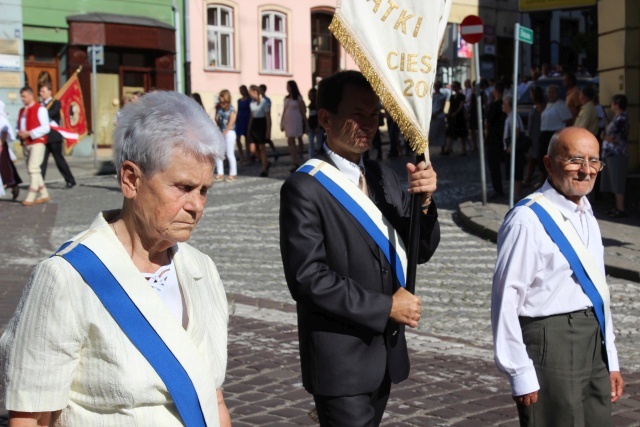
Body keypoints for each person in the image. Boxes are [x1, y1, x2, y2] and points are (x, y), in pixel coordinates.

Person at [0, 91, 232, 427]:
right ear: (130, 180)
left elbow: (215, 398)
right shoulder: (67, 278)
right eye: (182, 187)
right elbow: (31, 418)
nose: (196, 206)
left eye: (204, 190)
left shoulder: (201, 269)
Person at [279, 70, 441, 426]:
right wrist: (387, 306)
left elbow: (421, 250)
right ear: (325, 118)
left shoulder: (383, 177)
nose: (368, 125)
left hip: (384, 353)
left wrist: (425, 202)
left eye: (374, 116)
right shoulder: (304, 187)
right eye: (357, 115)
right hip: (341, 360)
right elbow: (308, 279)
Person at [492, 127, 624, 427]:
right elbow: (505, 298)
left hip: (593, 336)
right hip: (551, 341)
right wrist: (519, 372)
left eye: (594, 161)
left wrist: (611, 360)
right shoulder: (527, 219)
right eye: (575, 160)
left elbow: (599, 291)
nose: (586, 170)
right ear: (549, 164)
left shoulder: (586, 212)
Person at [38, 82, 76, 189]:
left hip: (54, 137)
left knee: (59, 160)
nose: (41, 93)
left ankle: (70, 180)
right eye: (40, 91)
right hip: (44, 137)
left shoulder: (55, 103)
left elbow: (52, 114)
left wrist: (42, 111)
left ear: (50, 92)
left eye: (43, 91)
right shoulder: (40, 104)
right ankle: (39, 183)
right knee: (42, 161)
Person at [17, 86, 50, 206]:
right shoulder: (22, 110)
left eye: (24, 96)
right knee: (34, 170)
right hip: (26, 142)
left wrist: (30, 133)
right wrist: (19, 132)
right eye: (21, 96)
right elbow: (20, 125)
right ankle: (44, 194)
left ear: (31, 95)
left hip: (38, 142)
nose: (22, 98)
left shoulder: (40, 109)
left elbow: (46, 127)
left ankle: (31, 194)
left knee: (33, 167)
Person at [600, 94, 629, 218]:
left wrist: (603, 137)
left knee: (617, 181)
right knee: (612, 180)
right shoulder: (617, 117)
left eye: (612, 103)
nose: (611, 105)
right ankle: (617, 207)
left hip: (617, 153)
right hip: (610, 153)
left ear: (617, 104)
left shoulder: (621, 118)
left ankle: (620, 208)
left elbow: (615, 138)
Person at [537, 85, 573, 185]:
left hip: (554, 132)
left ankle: (553, 179)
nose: (550, 94)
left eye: (553, 92)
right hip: (544, 132)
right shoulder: (548, 105)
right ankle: (542, 180)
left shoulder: (561, 105)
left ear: (557, 93)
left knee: (553, 157)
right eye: (549, 92)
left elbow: (568, 119)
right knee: (542, 157)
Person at [484, 81, 506, 198]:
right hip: (501, 137)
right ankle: (499, 188)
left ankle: (498, 189)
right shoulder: (504, 104)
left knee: (494, 166)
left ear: (496, 91)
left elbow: (488, 123)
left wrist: (485, 135)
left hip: (494, 138)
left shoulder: (495, 105)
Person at [281, 80, 308, 171]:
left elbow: (303, 112)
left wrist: (306, 123)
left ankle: (297, 156)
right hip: (288, 120)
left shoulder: (298, 98)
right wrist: (282, 122)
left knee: (297, 138)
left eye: (288, 86)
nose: (287, 88)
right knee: (290, 140)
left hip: (296, 120)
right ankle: (294, 159)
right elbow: (284, 111)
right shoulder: (286, 98)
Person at [502, 95, 526, 198]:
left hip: (515, 148)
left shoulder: (513, 116)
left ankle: (516, 195)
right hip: (513, 147)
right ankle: (515, 194)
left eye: (504, 104)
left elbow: (516, 130)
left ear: (508, 105)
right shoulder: (511, 115)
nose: (502, 106)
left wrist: (512, 145)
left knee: (516, 172)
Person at [523, 86, 545, 187]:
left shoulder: (541, 107)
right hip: (532, 135)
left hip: (538, 135)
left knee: (538, 158)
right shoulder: (535, 106)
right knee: (531, 158)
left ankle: (541, 179)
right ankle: (528, 178)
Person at [247, 84, 271, 177]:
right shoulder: (252, 103)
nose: (250, 94)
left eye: (251, 92)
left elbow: (268, 118)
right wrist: (249, 129)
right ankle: (266, 162)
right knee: (252, 149)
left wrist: (268, 131)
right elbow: (251, 117)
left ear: (255, 92)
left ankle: (264, 169)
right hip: (254, 124)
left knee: (262, 148)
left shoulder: (264, 102)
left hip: (262, 124)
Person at [214, 89, 238, 182]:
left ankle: (233, 173)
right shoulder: (219, 108)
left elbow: (231, 122)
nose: (220, 98)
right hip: (221, 131)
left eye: (222, 96)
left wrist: (225, 132)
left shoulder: (231, 109)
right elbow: (217, 120)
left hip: (230, 132)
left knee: (229, 153)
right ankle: (220, 173)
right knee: (219, 153)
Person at [0, 100, 22, 200]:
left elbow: (4, 133)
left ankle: (13, 185)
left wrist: (0, 144)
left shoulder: (2, 119)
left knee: (5, 169)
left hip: (1, 147)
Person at [442, 81, 468, 156]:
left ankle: (464, 150)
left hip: (459, 116)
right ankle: (448, 148)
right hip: (452, 116)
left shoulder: (461, 96)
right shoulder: (452, 96)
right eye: (453, 86)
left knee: (462, 134)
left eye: (455, 86)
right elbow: (450, 105)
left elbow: (461, 105)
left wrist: (456, 112)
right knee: (450, 132)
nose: (454, 88)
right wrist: (449, 112)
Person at [259, 84, 279, 161]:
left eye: (261, 89)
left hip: (265, 119)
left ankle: (275, 151)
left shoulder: (267, 100)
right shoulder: (258, 99)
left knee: (267, 138)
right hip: (259, 120)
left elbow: (268, 110)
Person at [429, 81, 447, 153]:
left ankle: (442, 148)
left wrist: (436, 114)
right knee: (430, 133)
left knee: (441, 132)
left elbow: (442, 107)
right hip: (432, 116)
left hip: (439, 116)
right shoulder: (431, 95)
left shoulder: (442, 96)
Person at [235, 85, 251, 164]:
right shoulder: (239, 100)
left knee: (247, 139)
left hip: (247, 119)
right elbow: (238, 110)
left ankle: (248, 157)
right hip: (240, 120)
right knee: (237, 139)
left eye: (242, 90)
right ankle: (241, 156)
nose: (241, 92)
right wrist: (236, 119)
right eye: (240, 90)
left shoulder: (249, 99)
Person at [307, 87, 324, 159]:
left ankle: (321, 158)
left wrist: (318, 126)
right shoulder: (311, 104)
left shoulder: (318, 104)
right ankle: (311, 158)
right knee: (311, 143)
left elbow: (319, 116)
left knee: (319, 143)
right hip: (311, 125)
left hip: (317, 126)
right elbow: (310, 115)